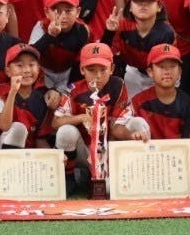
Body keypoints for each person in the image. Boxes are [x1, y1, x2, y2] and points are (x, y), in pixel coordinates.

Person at [53, 43, 136, 191]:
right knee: (66, 132)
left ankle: (122, 174)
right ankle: (68, 177)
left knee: (108, 189)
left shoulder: (118, 86)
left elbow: (117, 125)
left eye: (103, 70)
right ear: (82, 69)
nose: (97, 76)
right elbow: (56, 122)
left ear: (112, 69)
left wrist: (109, 160)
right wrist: (82, 117)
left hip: (108, 149)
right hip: (84, 149)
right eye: (91, 70)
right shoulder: (73, 90)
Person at [0, 43, 60, 151]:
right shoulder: (0, 91)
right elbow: (4, 126)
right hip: (0, 147)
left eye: (31, 65)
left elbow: (40, 139)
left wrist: (53, 155)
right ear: (8, 71)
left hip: (28, 151)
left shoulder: (43, 95)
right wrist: (12, 92)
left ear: (38, 69)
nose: (27, 70)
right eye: (20, 65)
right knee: (18, 128)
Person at [104, 0, 176, 98]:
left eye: (149, 0)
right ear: (130, 7)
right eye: (138, 0)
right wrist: (109, 32)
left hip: (159, 75)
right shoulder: (121, 27)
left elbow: (166, 67)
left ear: (159, 7)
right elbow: (104, 55)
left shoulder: (166, 32)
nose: (143, 5)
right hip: (132, 73)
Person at [128, 44, 190, 149]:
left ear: (180, 72)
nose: (167, 71)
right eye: (161, 67)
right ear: (150, 72)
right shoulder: (137, 103)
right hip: (146, 156)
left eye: (172, 66)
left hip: (178, 157)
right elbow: (124, 134)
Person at [30, 0, 91, 91]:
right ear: (47, 12)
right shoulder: (41, 26)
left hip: (68, 74)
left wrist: (63, 91)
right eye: (57, 11)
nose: (63, 16)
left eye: (68, 10)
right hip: (44, 73)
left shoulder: (82, 30)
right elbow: (29, 56)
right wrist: (49, 36)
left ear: (77, 12)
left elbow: (82, 64)